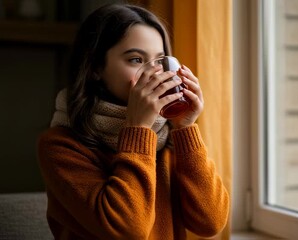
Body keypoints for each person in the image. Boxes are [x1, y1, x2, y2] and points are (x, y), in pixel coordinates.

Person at [37, 3, 229, 239]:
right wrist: (138, 129)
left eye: (160, 61)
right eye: (136, 60)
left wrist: (185, 127)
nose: (155, 74)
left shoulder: (167, 137)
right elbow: (128, 229)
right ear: (95, 68)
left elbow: (211, 222)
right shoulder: (60, 146)